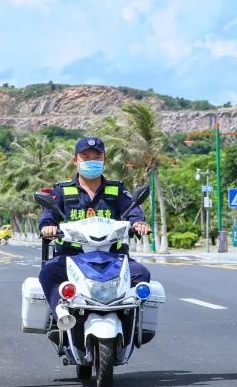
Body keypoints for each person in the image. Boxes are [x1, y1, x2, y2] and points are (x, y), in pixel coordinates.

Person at [38, 137, 152, 327]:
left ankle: (128, 325)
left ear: (104, 160)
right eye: (86, 157)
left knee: (141, 274)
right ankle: (62, 315)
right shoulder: (63, 190)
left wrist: (138, 223)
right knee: (48, 273)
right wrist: (47, 226)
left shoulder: (116, 189)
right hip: (71, 256)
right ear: (75, 160)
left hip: (113, 256)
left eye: (97, 157)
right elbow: (49, 212)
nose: (92, 161)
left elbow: (132, 210)